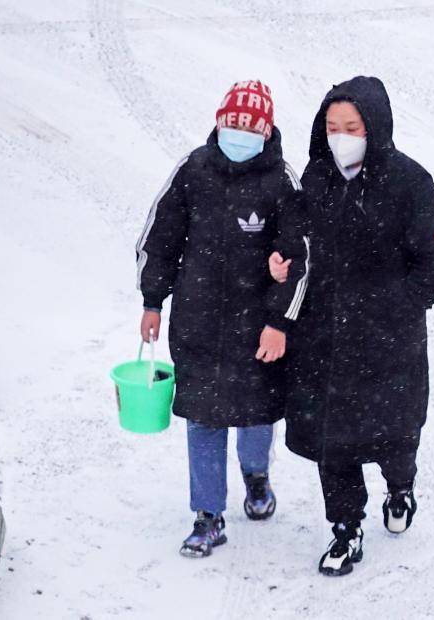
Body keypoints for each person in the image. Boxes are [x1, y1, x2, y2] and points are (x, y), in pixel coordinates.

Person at [269, 76, 434, 576]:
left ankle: (400, 486)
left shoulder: (410, 181)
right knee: (335, 441)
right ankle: (346, 530)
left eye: (352, 126)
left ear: (375, 126)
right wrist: (283, 257)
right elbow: (295, 232)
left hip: (389, 339)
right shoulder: (318, 178)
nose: (340, 136)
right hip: (325, 336)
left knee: (395, 433)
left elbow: (432, 258)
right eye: (331, 126)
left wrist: (403, 307)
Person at [135, 80, 308, 558]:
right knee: (203, 420)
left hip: (258, 331)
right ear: (218, 119)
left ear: (267, 129)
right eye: (233, 121)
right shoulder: (193, 171)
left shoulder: (282, 182)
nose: (240, 131)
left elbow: (299, 257)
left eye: (251, 125)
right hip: (198, 324)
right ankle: (207, 514)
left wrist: (279, 321)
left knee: (256, 414)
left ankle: (256, 475)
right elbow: (160, 239)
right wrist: (153, 301)